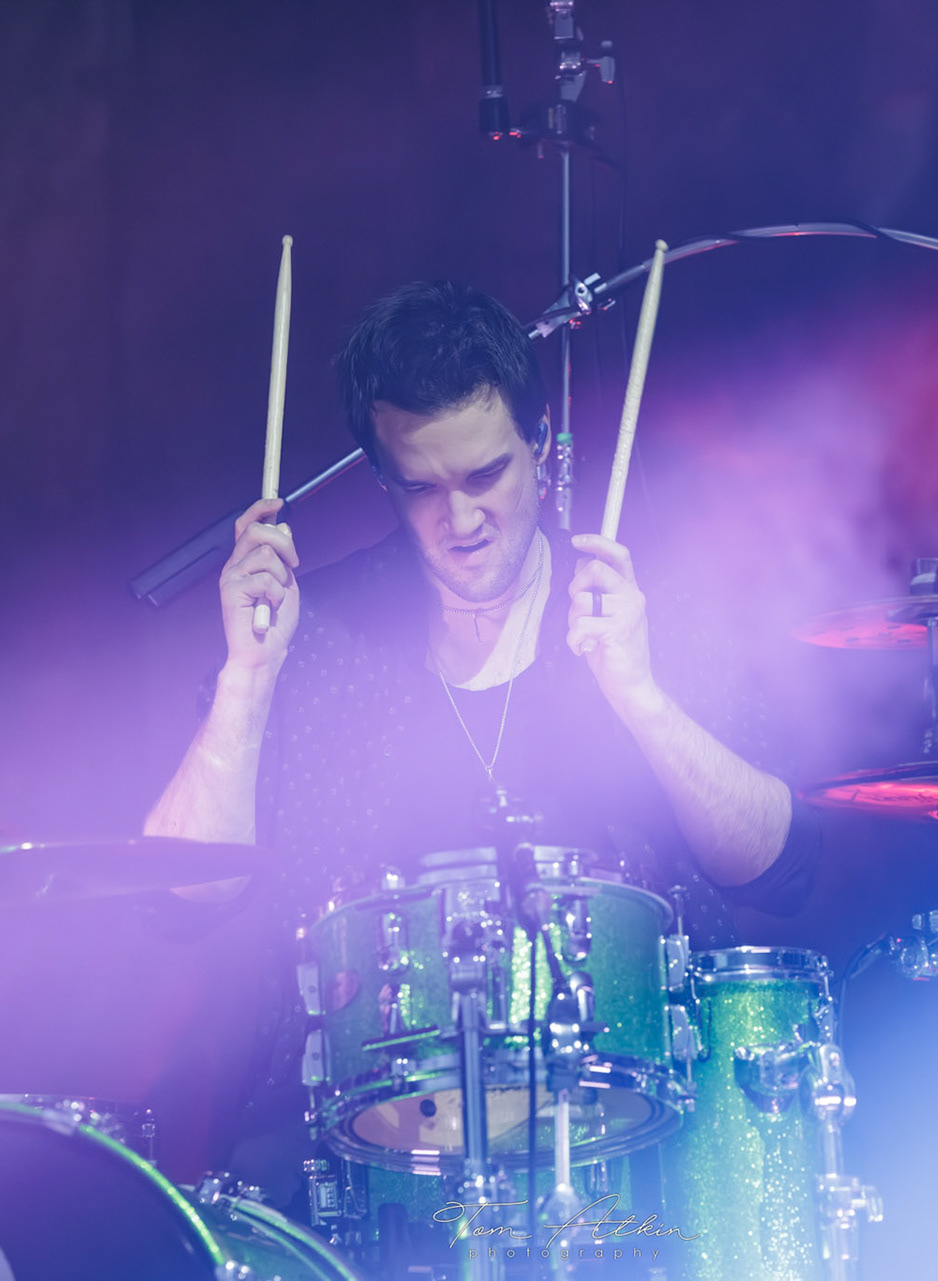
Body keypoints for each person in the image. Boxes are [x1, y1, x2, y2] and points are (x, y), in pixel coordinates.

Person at [142, 278, 818, 1191]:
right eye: (420, 487)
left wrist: (639, 695)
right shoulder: (318, 633)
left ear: (540, 442)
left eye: (485, 475)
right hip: (363, 1167)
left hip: (638, 1148)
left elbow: (780, 870)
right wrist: (246, 681)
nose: (459, 521)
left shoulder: (640, 607)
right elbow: (180, 897)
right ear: (380, 474)